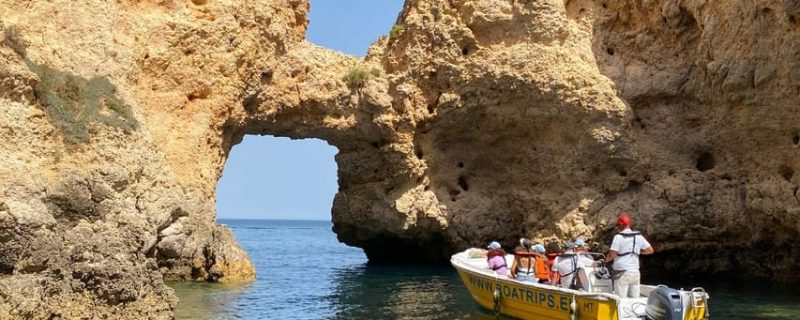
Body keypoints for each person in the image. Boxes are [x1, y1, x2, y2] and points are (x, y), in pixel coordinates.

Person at [604, 214, 654, 298]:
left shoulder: (618, 237)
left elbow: (612, 254)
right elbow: (650, 250)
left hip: (622, 272)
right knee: (635, 299)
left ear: (620, 224)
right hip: (635, 272)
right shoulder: (639, 236)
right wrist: (637, 252)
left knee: (620, 299)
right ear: (629, 224)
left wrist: (605, 261)